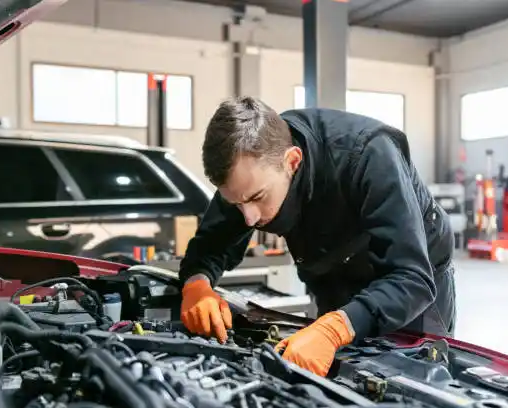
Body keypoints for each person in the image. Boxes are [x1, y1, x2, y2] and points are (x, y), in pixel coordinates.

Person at [178, 96, 456, 377]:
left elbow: (411, 278)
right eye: (236, 204)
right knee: (337, 376)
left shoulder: (369, 154)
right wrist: (197, 284)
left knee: (411, 379)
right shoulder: (247, 174)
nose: (248, 218)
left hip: (409, 289)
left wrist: (335, 328)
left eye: (257, 198)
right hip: (334, 274)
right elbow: (209, 247)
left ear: (292, 161)